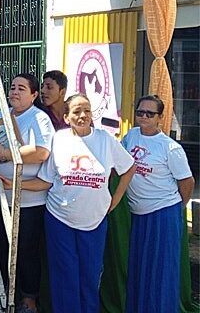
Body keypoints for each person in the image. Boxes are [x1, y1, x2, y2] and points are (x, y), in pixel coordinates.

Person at [11, 94, 135, 313]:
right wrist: (15, 184)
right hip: (60, 219)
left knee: (90, 276)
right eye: (77, 111)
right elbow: (45, 181)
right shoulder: (58, 140)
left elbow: (128, 168)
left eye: (87, 110)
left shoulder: (105, 140)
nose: (83, 115)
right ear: (66, 117)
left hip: (95, 221)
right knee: (63, 276)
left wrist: (114, 200)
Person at [123, 95, 195, 313]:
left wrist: (177, 208)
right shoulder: (131, 136)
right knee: (139, 270)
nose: (143, 116)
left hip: (163, 214)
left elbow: (187, 182)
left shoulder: (170, 148)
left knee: (161, 272)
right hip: (139, 213)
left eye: (150, 113)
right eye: (140, 112)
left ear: (160, 118)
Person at [0, 73, 54, 313]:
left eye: (22, 89)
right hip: (0, 198)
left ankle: (29, 299)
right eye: (13, 87)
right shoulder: (1, 115)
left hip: (28, 202)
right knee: (2, 247)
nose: (15, 92)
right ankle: (5, 295)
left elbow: (41, 152)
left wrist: (8, 155)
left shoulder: (39, 119)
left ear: (34, 95)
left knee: (25, 251)